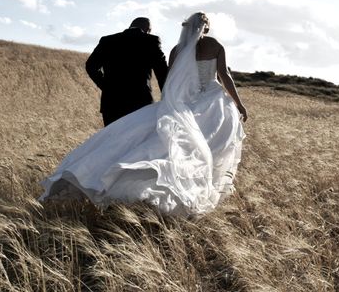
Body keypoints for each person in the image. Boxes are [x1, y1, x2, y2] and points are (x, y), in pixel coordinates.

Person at [39, 12, 247, 216]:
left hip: (113, 101)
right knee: (191, 144)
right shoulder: (170, 42)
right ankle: (143, 186)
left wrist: (108, 87)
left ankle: (100, 177)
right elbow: (212, 75)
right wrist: (236, 103)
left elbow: (91, 66)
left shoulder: (116, 41)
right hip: (170, 100)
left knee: (120, 142)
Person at [85, 17, 168, 126]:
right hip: (140, 102)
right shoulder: (151, 41)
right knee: (137, 141)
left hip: (112, 103)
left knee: (111, 140)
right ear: (148, 29)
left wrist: (107, 87)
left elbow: (90, 66)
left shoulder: (107, 40)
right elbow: (162, 72)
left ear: (130, 26)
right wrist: (167, 98)